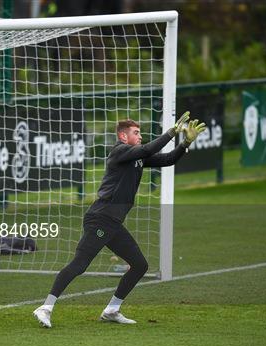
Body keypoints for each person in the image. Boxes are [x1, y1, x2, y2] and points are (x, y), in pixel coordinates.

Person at [33, 112, 206, 328]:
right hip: (100, 219)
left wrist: (186, 142)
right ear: (123, 137)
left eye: (140, 132)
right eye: (136, 133)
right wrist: (171, 132)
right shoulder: (120, 152)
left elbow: (167, 160)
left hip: (113, 224)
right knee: (80, 264)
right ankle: (45, 307)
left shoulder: (136, 157)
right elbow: (147, 149)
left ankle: (112, 310)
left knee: (139, 265)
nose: (140, 136)